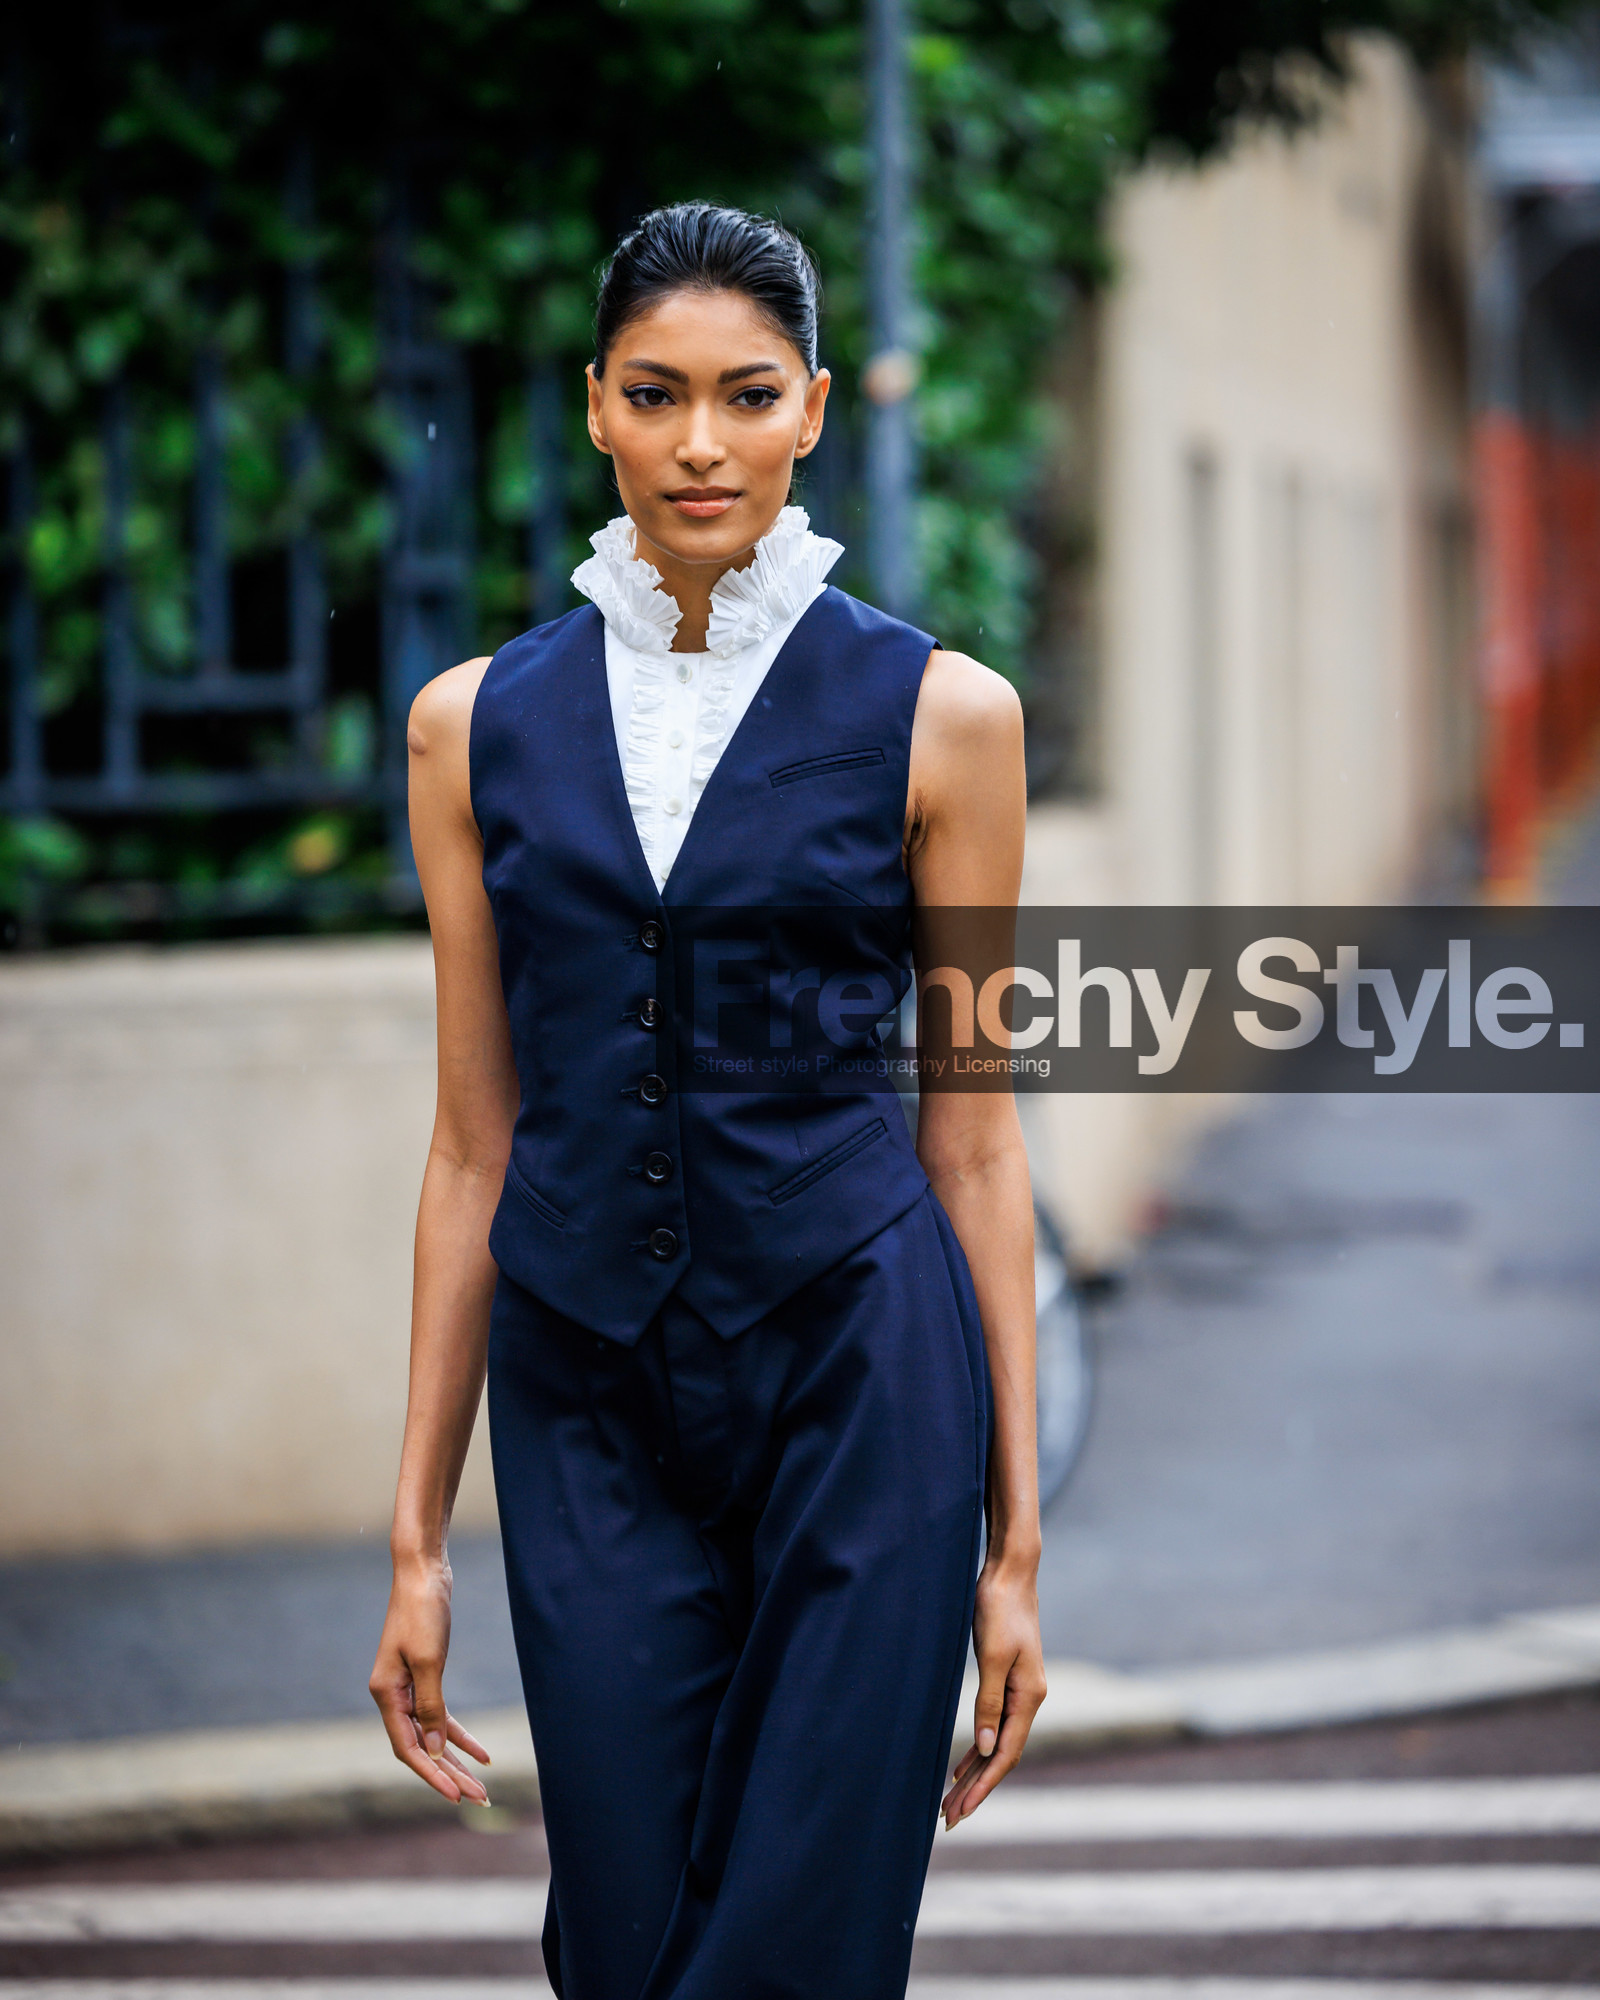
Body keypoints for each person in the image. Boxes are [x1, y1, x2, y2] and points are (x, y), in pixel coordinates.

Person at [369, 202, 1045, 2000]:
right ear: (595, 407)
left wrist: (1016, 1545)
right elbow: (470, 1144)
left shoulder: (946, 718)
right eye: (655, 395)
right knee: (625, 1945)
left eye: (746, 397)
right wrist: (418, 1538)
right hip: (583, 1395)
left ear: (814, 411)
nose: (699, 444)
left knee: (794, 1950)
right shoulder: (471, 727)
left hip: (861, 1382)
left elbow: (973, 1136)